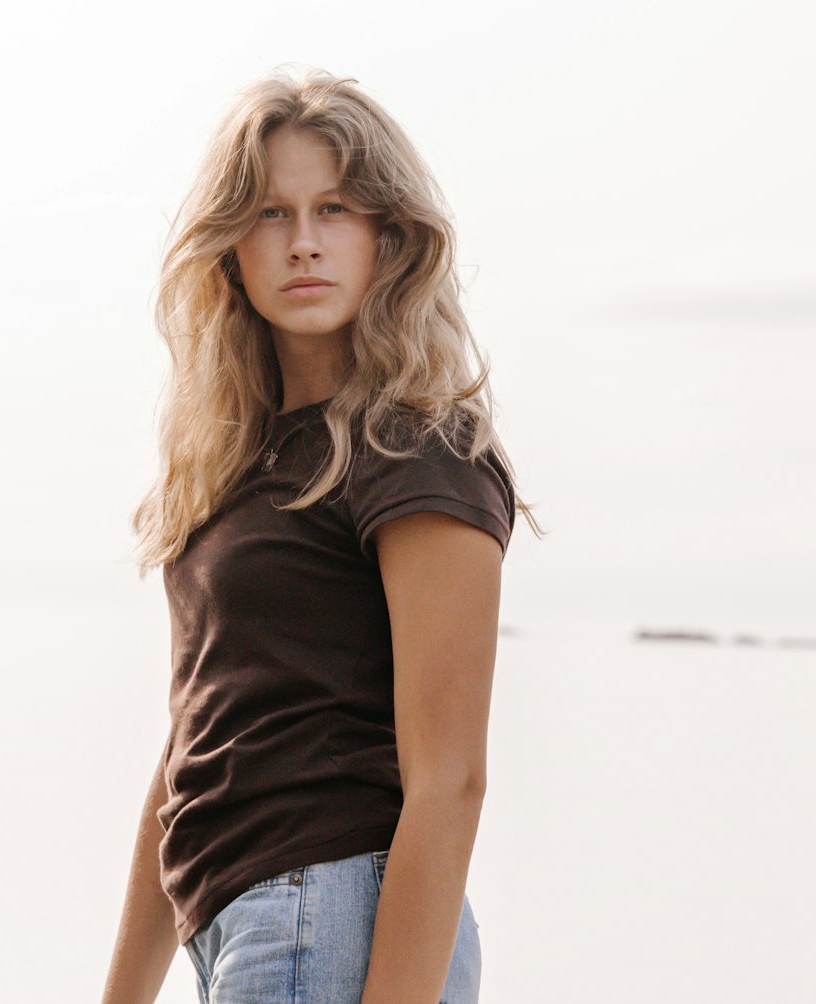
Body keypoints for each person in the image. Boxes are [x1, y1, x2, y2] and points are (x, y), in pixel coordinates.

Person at [100, 67, 540, 1004]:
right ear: (230, 251)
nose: (304, 244)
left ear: (388, 234)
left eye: (334, 209)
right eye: (270, 214)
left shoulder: (415, 446)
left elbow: (450, 781)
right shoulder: (235, 471)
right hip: (240, 925)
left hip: (330, 915)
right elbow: (197, 749)